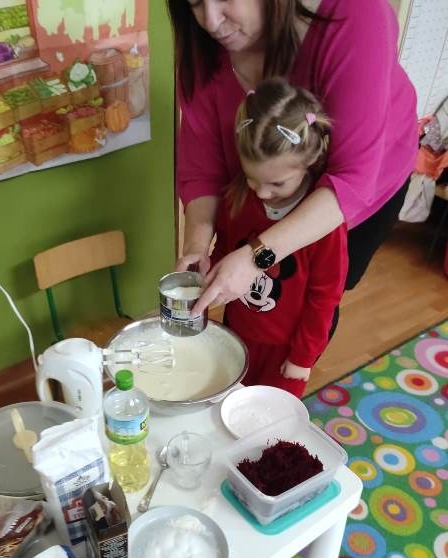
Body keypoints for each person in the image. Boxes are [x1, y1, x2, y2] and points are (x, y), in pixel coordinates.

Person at [168, 0, 418, 322]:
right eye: (195, 3)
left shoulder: (356, 15)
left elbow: (352, 181)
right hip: (270, 203)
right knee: (263, 302)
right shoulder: (202, 50)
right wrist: (196, 246)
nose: (212, 22)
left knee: (309, 300)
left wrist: (256, 257)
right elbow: (202, 171)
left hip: (357, 191)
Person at [212, 77, 347, 397]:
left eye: (276, 184)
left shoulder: (324, 223)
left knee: (274, 418)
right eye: (251, 178)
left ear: (309, 163)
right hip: (236, 336)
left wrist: (303, 357)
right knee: (229, 407)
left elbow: (324, 298)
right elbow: (225, 250)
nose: (261, 192)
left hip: (286, 351)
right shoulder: (237, 199)